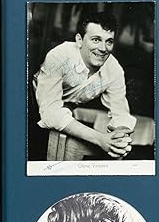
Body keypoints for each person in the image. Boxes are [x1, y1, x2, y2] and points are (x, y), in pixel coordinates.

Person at [33, 11, 137, 159]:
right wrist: (101, 139)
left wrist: (119, 137)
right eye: (96, 40)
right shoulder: (59, 56)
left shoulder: (114, 70)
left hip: (64, 115)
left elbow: (121, 113)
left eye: (109, 41)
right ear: (79, 40)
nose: (103, 48)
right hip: (31, 107)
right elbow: (51, 113)